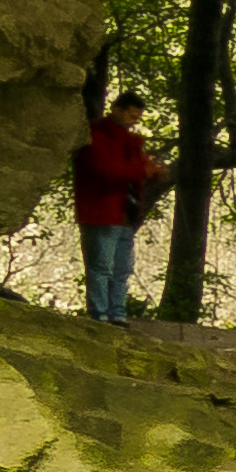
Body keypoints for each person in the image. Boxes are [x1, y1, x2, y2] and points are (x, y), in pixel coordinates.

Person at [71, 92, 166, 322]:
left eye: (136, 117)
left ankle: (118, 314)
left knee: (122, 269)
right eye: (130, 115)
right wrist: (143, 170)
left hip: (124, 214)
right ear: (116, 109)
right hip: (100, 211)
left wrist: (155, 172)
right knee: (101, 267)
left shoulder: (131, 143)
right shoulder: (95, 137)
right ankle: (100, 314)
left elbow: (138, 169)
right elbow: (107, 170)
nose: (133, 121)